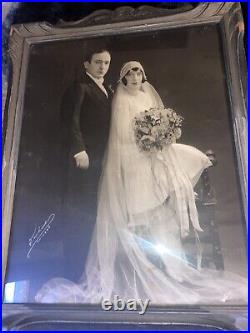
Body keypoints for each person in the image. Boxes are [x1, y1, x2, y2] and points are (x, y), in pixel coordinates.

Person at [36, 61, 247, 304]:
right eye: (130, 75)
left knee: (185, 155)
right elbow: (121, 138)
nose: (135, 78)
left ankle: (170, 258)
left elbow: (162, 122)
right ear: (124, 78)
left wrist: (161, 136)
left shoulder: (148, 93)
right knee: (146, 187)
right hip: (132, 157)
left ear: (143, 75)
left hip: (151, 152)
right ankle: (148, 259)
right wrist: (147, 142)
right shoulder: (121, 100)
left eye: (138, 74)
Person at [60, 46, 112, 281]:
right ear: (86, 65)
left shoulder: (107, 89)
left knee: (97, 210)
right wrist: (78, 149)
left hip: (103, 158)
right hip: (85, 158)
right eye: (98, 62)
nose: (102, 67)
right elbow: (70, 120)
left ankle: (96, 267)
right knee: (82, 212)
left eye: (106, 63)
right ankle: (76, 270)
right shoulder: (80, 87)